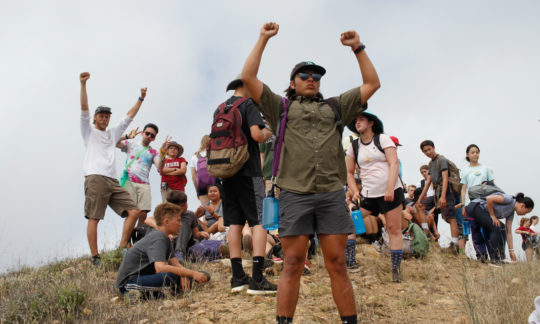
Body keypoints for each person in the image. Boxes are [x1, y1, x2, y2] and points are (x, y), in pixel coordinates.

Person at [241, 21, 380, 324]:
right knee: (292, 262)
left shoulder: (335, 107)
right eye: (304, 75)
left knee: (337, 263)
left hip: (330, 194)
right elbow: (248, 77)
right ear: (292, 82)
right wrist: (263, 38)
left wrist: (358, 48)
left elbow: (372, 84)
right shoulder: (280, 108)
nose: (311, 79)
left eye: (316, 76)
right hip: (294, 194)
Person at [79, 72, 146, 266]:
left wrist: (141, 98)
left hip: (112, 180)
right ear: (95, 118)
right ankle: (95, 257)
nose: (104, 118)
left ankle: (123, 247)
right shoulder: (88, 131)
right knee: (94, 217)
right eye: (101, 115)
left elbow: (130, 116)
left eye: (107, 116)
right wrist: (83, 84)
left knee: (134, 211)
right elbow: (84, 108)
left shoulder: (113, 132)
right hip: (95, 178)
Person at [217, 74, 275, 295]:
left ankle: (237, 277)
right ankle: (258, 278)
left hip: (226, 171)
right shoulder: (248, 104)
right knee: (259, 220)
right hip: (248, 170)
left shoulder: (220, 108)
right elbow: (257, 136)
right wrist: (270, 130)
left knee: (235, 223)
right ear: (247, 86)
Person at [345, 111, 404, 282]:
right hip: (369, 195)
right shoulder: (353, 146)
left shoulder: (382, 139)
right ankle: (350, 261)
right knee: (349, 221)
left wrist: (390, 188)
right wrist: (355, 190)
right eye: (355, 120)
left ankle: (396, 270)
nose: (357, 122)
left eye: (361, 119)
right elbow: (349, 172)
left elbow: (393, 163)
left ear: (371, 123)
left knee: (393, 229)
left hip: (390, 193)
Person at [116, 202, 210, 298]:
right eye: (178, 221)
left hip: (142, 279)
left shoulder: (165, 239)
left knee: (201, 275)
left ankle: (138, 296)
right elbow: (160, 268)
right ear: (166, 222)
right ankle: (133, 293)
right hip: (129, 283)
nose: (181, 224)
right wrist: (192, 274)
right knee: (176, 277)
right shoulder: (158, 236)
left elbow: (176, 264)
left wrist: (185, 274)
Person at [417, 140, 463, 253]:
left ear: (433, 148)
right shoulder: (430, 164)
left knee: (450, 217)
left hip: (446, 191)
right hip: (436, 192)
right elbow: (428, 182)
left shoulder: (441, 160)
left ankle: (455, 245)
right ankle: (428, 233)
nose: (428, 152)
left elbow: (445, 178)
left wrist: (443, 197)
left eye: (429, 149)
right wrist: (419, 199)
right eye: (425, 151)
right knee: (419, 207)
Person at [465, 192, 534, 265]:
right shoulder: (509, 199)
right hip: (476, 207)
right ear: (522, 206)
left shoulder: (511, 213)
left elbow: (508, 232)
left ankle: (501, 257)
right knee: (496, 226)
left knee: (502, 228)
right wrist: (492, 215)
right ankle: (494, 260)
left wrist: (511, 251)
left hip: (483, 212)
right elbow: (489, 199)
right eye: (526, 212)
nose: (524, 214)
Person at [145, 190, 210, 262]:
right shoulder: (166, 214)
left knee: (184, 225)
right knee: (152, 228)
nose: (186, 206)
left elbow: (196, 234)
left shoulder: (190, 215)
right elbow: (147, 220)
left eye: (186, 203)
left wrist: (201, 234)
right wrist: (165, 233)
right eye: (182, 206)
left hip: (184, 243)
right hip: (170, 242)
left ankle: (179, 253)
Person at [117, 124, 161, 226]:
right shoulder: (130, 144)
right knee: (131, 213)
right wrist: (127, 136)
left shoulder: (154, 152)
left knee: (143, 213)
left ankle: (139, 235)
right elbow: (112, 141)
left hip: (144, 184)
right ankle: (127, 240)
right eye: (147, 133)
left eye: (152, 135)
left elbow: (159, 165)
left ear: (154, 138)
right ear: (142, 133)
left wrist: (163, 154)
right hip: (129, 181)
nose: (149, 136)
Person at [459, 144, 495, 261]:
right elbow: (464, 189)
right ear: (468, 155)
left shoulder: (486, 169)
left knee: (488, 229)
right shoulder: (465, 171)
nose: (475, 154)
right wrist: (463, 205)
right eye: (472, 152)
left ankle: (494, 255)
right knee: (475, 229)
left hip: (485, 203)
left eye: (477, 152)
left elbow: (493, 185)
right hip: (471, 205)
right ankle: (481, 255)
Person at [190, 135, 214, 206]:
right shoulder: (215, 153)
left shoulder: (194, 156)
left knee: (207, 211)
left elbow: (194, 176)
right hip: (215, 184)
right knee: (218, 211)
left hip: (201, 185)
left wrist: (197, 190)